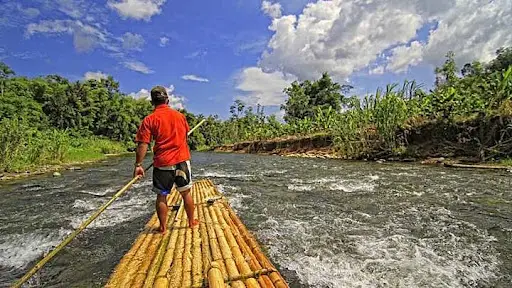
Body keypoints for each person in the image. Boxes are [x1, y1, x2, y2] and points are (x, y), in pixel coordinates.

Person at [133, 86, 198, 233]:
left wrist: (138, 165)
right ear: (167, 100)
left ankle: (162, 227)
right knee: (186, 193)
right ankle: (191, 222)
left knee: (161, 196)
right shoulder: (180, 116)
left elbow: (143, 144)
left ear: (152, 102)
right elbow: (185, 135)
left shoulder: (149, 119)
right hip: (182, 161)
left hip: (163, 164)